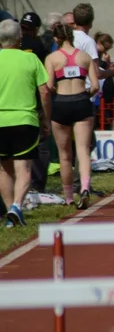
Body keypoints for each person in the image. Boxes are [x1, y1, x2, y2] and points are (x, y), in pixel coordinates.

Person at [0, 19, 51, 227]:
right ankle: (16, 207)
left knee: (3, 170)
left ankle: (10, 213)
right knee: (24, 169)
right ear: (20, 38)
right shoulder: (30, 59)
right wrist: (46, 118)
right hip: (25, 120)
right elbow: (45, 91)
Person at [45, 23, 99, 209]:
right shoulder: (84, 57)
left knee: (65, 155)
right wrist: (86, 96)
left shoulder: (52, 58)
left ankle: (68, 197)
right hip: (82, 102)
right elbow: (95, 86)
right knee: (83, 150)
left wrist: (58, 90)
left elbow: (49, 85)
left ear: (56, 39)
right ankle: (84, 187)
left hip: (61, 103)